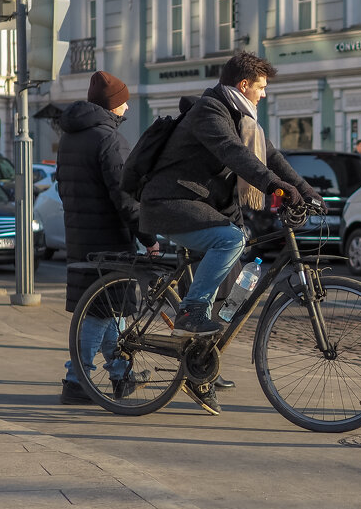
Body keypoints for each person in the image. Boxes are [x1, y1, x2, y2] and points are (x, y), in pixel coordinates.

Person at [136, 51, 323, 414]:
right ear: (243, 85)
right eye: (261, 87)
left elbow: (272, 157)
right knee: (230, 240)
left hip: (201, 207)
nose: (264, 94)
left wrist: (308, 190)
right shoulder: (211, 113)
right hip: (169, 203)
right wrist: (275, 188)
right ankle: (189, 313)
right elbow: (234, 154)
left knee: (235, 291)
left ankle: (201, 364)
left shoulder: (242, 117)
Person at [57, 70, 160, 405]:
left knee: (109, 308)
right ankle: (77, 380)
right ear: (113, 105)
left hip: (81, 234)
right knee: (100, 312)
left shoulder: (71, 137)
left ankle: (120, 374)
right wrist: (148, 237)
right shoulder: (109, 140)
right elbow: (125, 196)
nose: (127, 107)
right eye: (124, 101)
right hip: (107, 238)